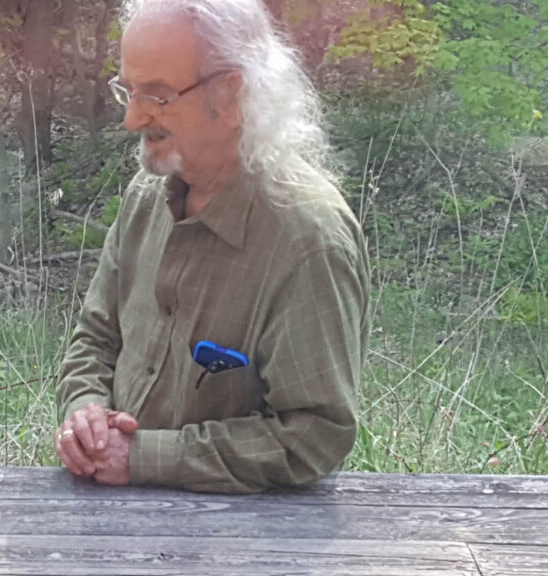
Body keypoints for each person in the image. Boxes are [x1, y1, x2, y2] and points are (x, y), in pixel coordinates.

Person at [53, 0, 371, 494]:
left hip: (239, 544)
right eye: (129, 92)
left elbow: (315, 435)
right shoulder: (147, 194)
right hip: (104, 514)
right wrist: (85, 414)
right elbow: (95, 338)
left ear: (229, 94)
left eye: (157, 97)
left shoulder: (309, 242)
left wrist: (145, 457)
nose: (133, 120)